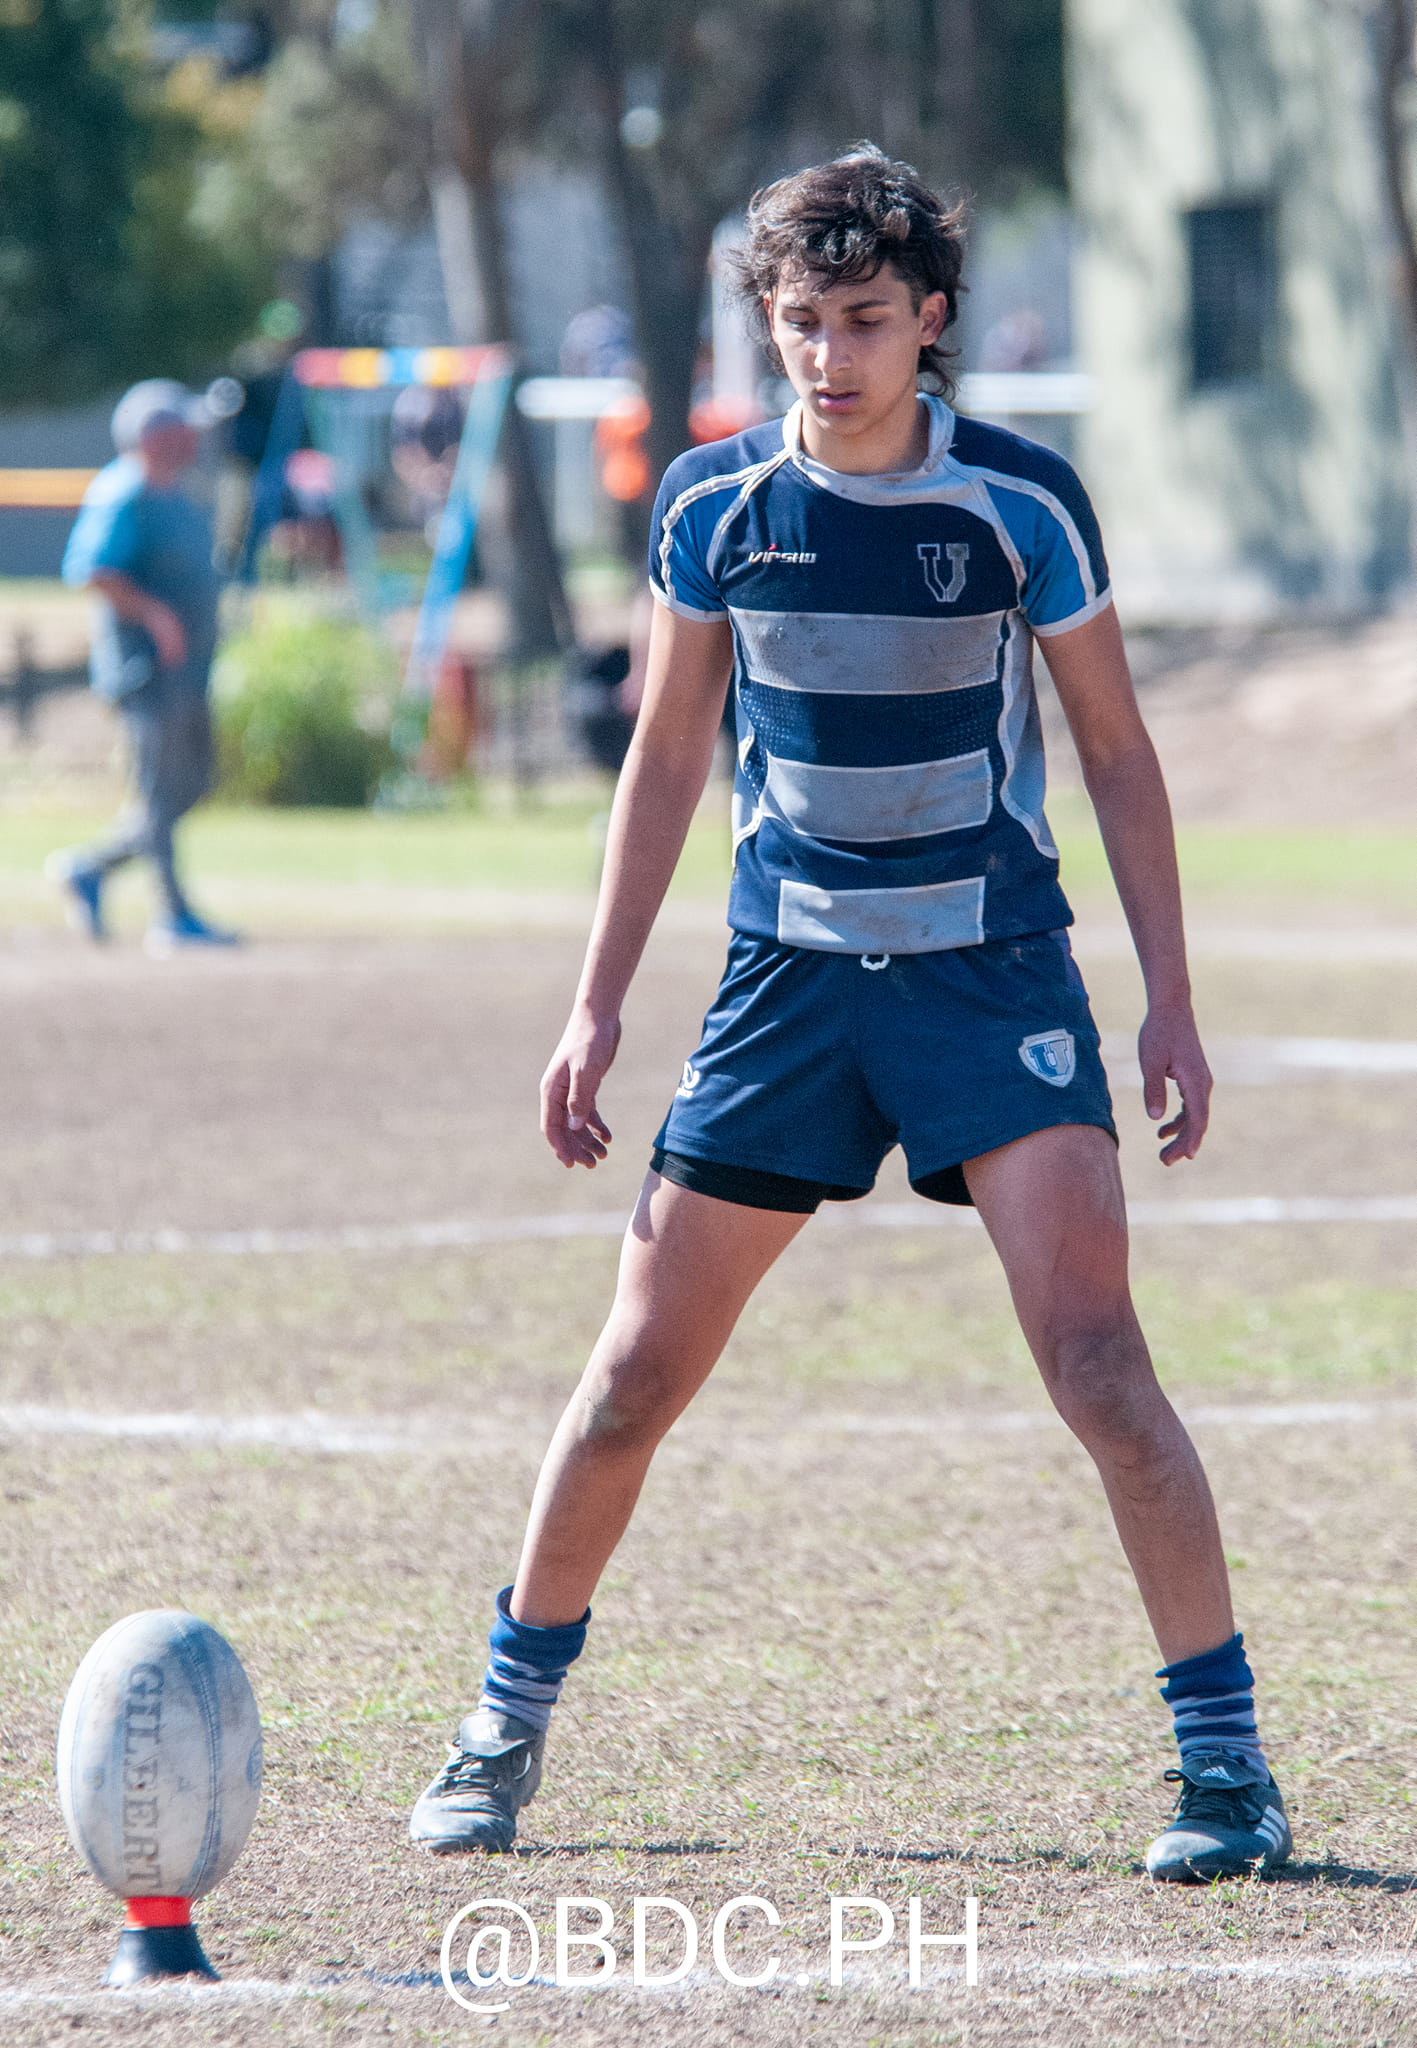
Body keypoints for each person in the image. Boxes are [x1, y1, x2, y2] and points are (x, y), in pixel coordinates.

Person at [410, 147, 1291, 1883]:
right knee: (628, 1380)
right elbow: (666, 757)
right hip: (785, 983)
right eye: (798, 322)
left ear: (931, 321)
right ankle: (498, 1728)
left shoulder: (1020, 505)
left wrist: (1170, 999)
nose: (826, 355)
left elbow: (1112, 751)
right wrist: (591, 1004)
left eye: (863, 320)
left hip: (989, 974)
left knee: (1102, 1369)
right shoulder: (711, 507)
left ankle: (1226, 1769)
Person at [51, 380, 238, 951]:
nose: (194, 438)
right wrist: (155, 616)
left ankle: (90, 868)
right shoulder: (123, 492)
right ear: (154, 436)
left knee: (194, 785)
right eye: (182, 428)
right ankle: (173, 915)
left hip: (188, 669)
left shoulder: (175, 492)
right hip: (146, 671)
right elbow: (91, 569)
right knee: (159, 793)